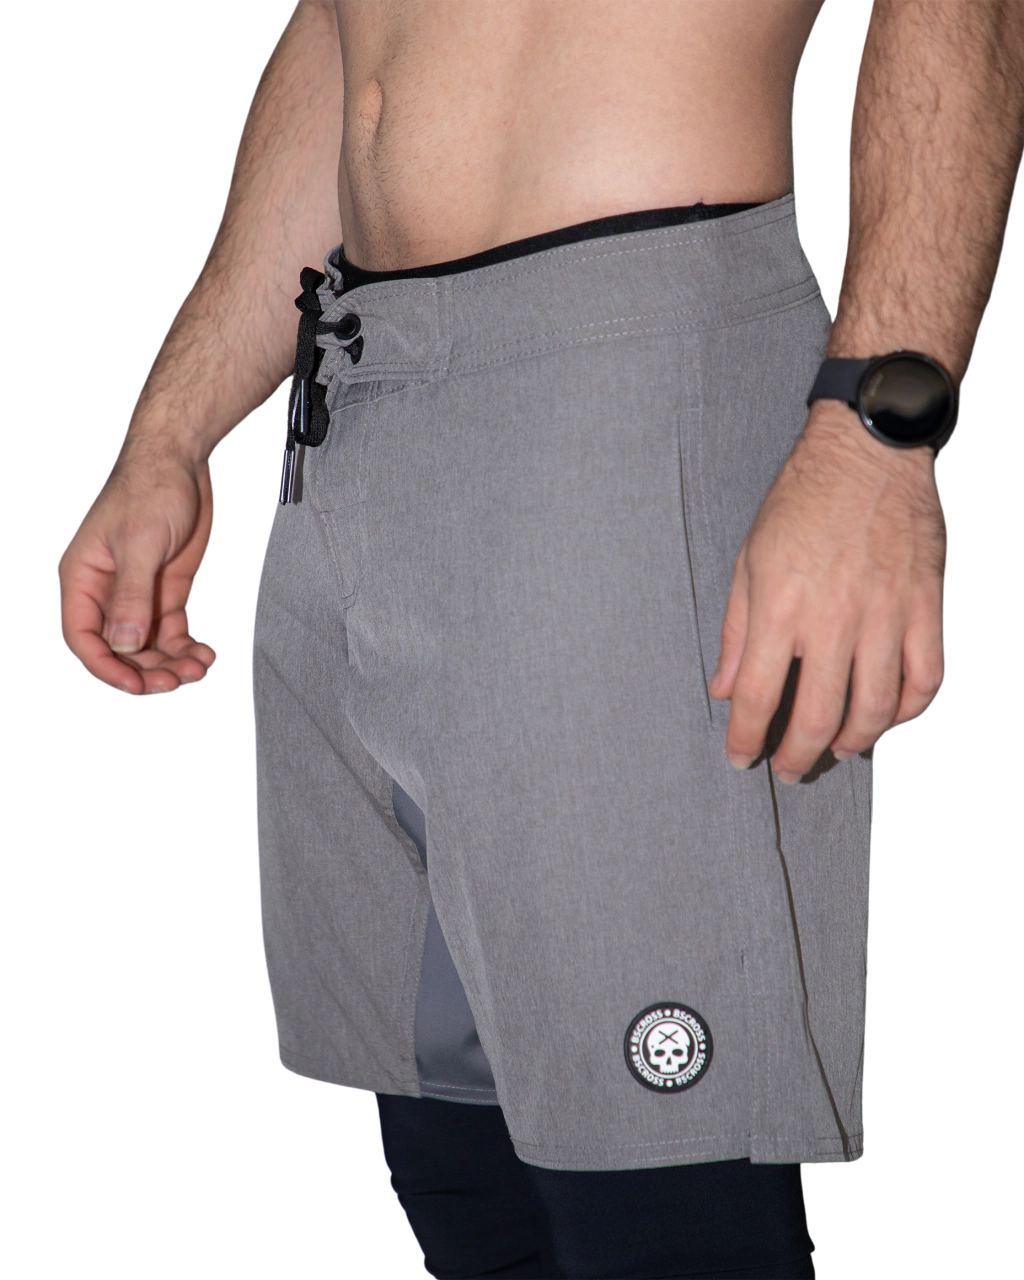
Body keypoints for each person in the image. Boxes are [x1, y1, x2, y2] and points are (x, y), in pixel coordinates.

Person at [57, 2, 1023, 1277]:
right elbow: (346, 39)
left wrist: (872, 439)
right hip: (359, 386)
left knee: (653, 1167)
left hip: (622, 374)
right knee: (459, 1143)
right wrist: (171, 432)